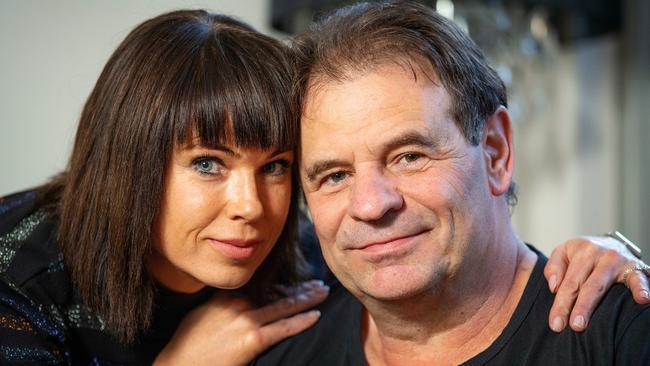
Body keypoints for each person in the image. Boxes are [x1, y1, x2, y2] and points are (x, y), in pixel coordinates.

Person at [0, 6, 644, 366]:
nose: (252, 208)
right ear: (128, 164)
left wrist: (611, 250)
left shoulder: (305, 248)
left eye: (279, 166)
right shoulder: (18, 280)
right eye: (206, 164)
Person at [253, 2, 650, 365]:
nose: (371, 206)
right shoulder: (281, 353)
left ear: (495, 152)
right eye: (335, 176)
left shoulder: (622, 335)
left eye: (409, 156)